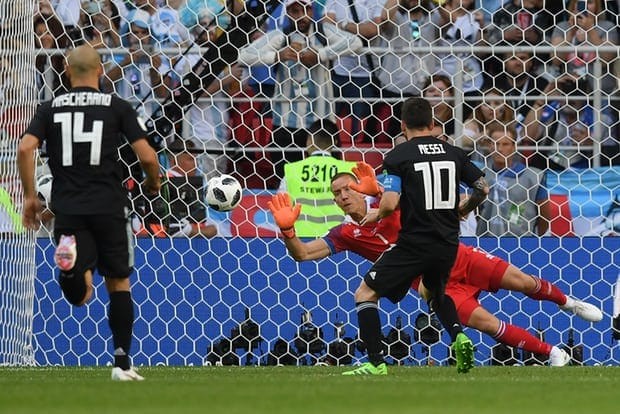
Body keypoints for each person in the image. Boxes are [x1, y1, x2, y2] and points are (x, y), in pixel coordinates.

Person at [268, 169, 603, 367]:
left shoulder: (391, 204)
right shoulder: (345, 233)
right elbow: (303, 255)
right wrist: (287, 231)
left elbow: (416, 200)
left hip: (458, 257)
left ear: (361, 189)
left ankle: (568, 303)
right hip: (435, 285)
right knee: (489, 325)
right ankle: (553, 354)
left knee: (526, 283)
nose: (343, 196)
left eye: (348, 188)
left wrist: (383, 191)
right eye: (337, 193)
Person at [17, 45, 161, 381]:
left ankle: (70, 271)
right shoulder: (117, 106)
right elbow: (148, 157)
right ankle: (122, 364)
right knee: (118, 282)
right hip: (109, 205)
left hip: (67, 207)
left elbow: (25, 148)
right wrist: (153, 183)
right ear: (100, 70)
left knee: (80, 296)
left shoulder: (50, 107)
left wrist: (30, 196)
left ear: (67, 72)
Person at [345, 97, 489, 375]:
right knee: (433, 292)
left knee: (365, 293)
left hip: (414, 243)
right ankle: (459, 336)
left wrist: (376, 214)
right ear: (432, 124)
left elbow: (389, 203)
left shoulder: (398, 156)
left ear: (402, 126)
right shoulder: (454, 153)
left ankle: (375, 363)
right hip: (447, 243)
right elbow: (482, 188)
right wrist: (464, 209)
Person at [238, 0, 362, 188]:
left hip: (321, 122)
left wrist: (320, 55)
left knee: (328, 182)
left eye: (305, 10)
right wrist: (277, 56)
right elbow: (243, 55)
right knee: (287, 180)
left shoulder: (323, 32)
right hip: (287, 122)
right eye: (295, 11)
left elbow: (356, 42)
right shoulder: (280, 37)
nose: (301, 16)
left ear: (312, 11)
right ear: (288, 13)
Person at [279, 119, 356, 237]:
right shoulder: (349, 169)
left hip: (301, 239)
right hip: (339, 238)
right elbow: (359, 208)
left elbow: (281, 209)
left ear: (309, 141)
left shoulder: (292, 170)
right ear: (335, 141)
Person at [476, 121, 550, 236]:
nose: (499, 149)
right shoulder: (480, 174)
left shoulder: (533, 177)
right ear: (490, 146)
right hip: (486, 240)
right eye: (495, 144)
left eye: (505, 144)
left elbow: (544, 217)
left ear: (514, 147)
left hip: (521, 241)